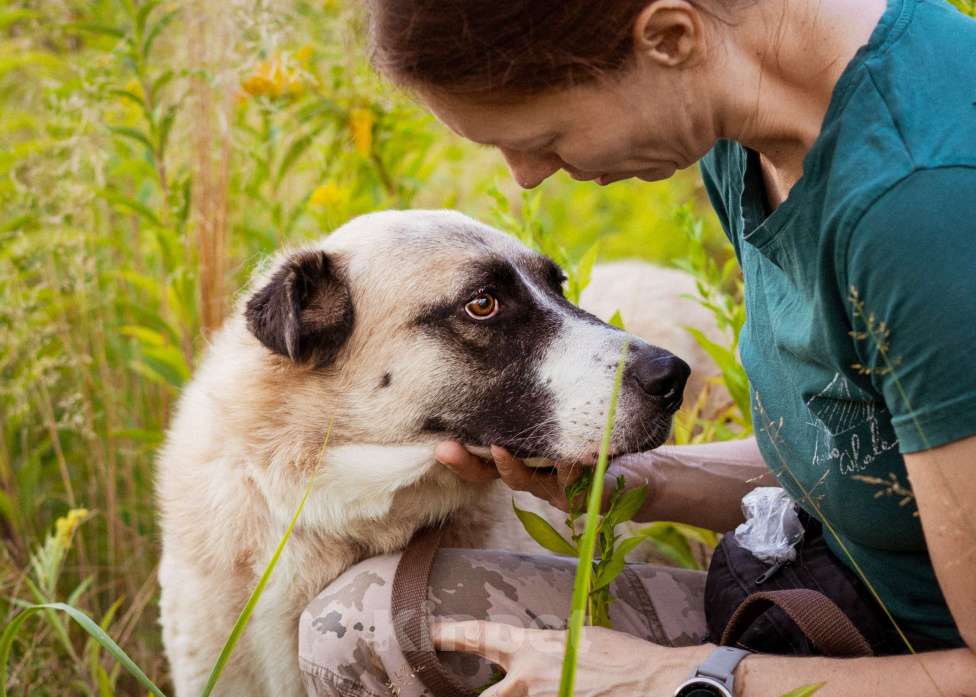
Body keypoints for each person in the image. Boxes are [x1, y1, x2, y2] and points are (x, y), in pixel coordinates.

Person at [297, 0, 976, 694]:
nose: (526, 176)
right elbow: (865, 458)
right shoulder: (746, 127)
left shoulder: (923, 206)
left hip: (914, 658)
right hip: (822, 592)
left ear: (669, 38)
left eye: (546, 135)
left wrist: (671, 676)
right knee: (378, 621)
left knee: (359, 636)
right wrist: (636, 481)